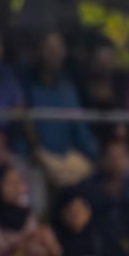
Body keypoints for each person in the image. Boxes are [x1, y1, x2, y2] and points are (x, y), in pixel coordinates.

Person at [24, 29, 98, 188]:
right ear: (39, 51)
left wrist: (90, 156)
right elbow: (23, 129)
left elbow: (80, 129)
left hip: (68, 160)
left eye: (58, 49)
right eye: (49, 48)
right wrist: (40, 156)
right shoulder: (27, 88)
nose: (53, 53)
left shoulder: (68, 90)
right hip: (37, 160)